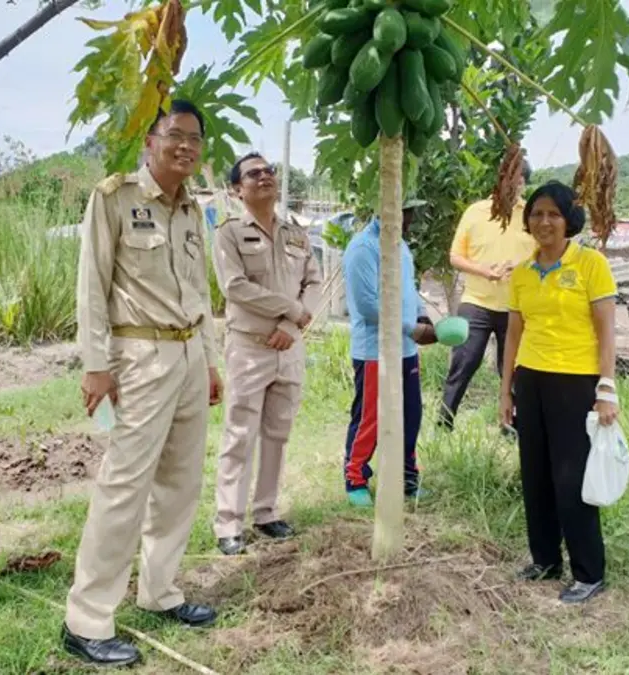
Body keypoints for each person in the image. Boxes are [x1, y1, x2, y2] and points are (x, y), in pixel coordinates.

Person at [63, 100, 223, 667]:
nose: (186, 145)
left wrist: (210, 359)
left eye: (194, 138)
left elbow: (200, 294)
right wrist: (96, 365)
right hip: (139, 356)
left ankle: (160, 592)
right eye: (174, 134)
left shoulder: (191, 212)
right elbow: (92, 284)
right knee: (124, 486)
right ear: (150, 142)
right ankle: (86, 619)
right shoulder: (115, 198)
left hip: (187, 357)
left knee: (180, 484)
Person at [499, 181, 619, 605]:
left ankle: (589, 572)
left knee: (572, 479)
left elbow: (607, 332)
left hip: (576, 383)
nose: (543, 221)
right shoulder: (522, 272)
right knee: (534, 475)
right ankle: (545, 559)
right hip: (530, 380)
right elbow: (514, 332)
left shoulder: (591, 264)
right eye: (536, 213)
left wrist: (607, 390)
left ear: (569, 218)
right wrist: (506, 390)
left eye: (553, 213)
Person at [212, 153, 322, 555]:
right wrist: (290, 310)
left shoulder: (296, 233)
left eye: (268, 171)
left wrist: (293, 326)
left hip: (288, 347)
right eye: (252, 174)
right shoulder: (228, 233)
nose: (264, 177)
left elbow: (314, 281)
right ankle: (228, 523)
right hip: (249, 348)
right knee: (239, 434)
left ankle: (266, 512)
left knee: (277, 433)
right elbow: (235, 287)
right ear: (237, 189)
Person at [342, 199, 437, 508]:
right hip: (375, 351)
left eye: (412, 212)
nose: (411, 217)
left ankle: (407, 477)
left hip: (406, 349)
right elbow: (368, 306)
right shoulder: (364, 248)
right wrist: (412, 328)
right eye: (406, 211)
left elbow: (409, 289)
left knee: (411, 415)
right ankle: (355, 478)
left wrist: (422, 317)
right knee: (370, 417)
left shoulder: (400, 245)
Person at [439, 160, 535, 431]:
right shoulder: (475, 212)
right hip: (477, 302)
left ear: (524, 184)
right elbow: (455, 256)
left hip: (515, 307)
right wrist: (483, 271)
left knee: (512, 370)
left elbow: (542, 255)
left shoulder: (530, 215)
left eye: (519, 181)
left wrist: (521, 268)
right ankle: (444, 422)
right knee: (465, 362)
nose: (514, 185)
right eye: (508, 179)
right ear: (498, 180)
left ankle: (510, 426)